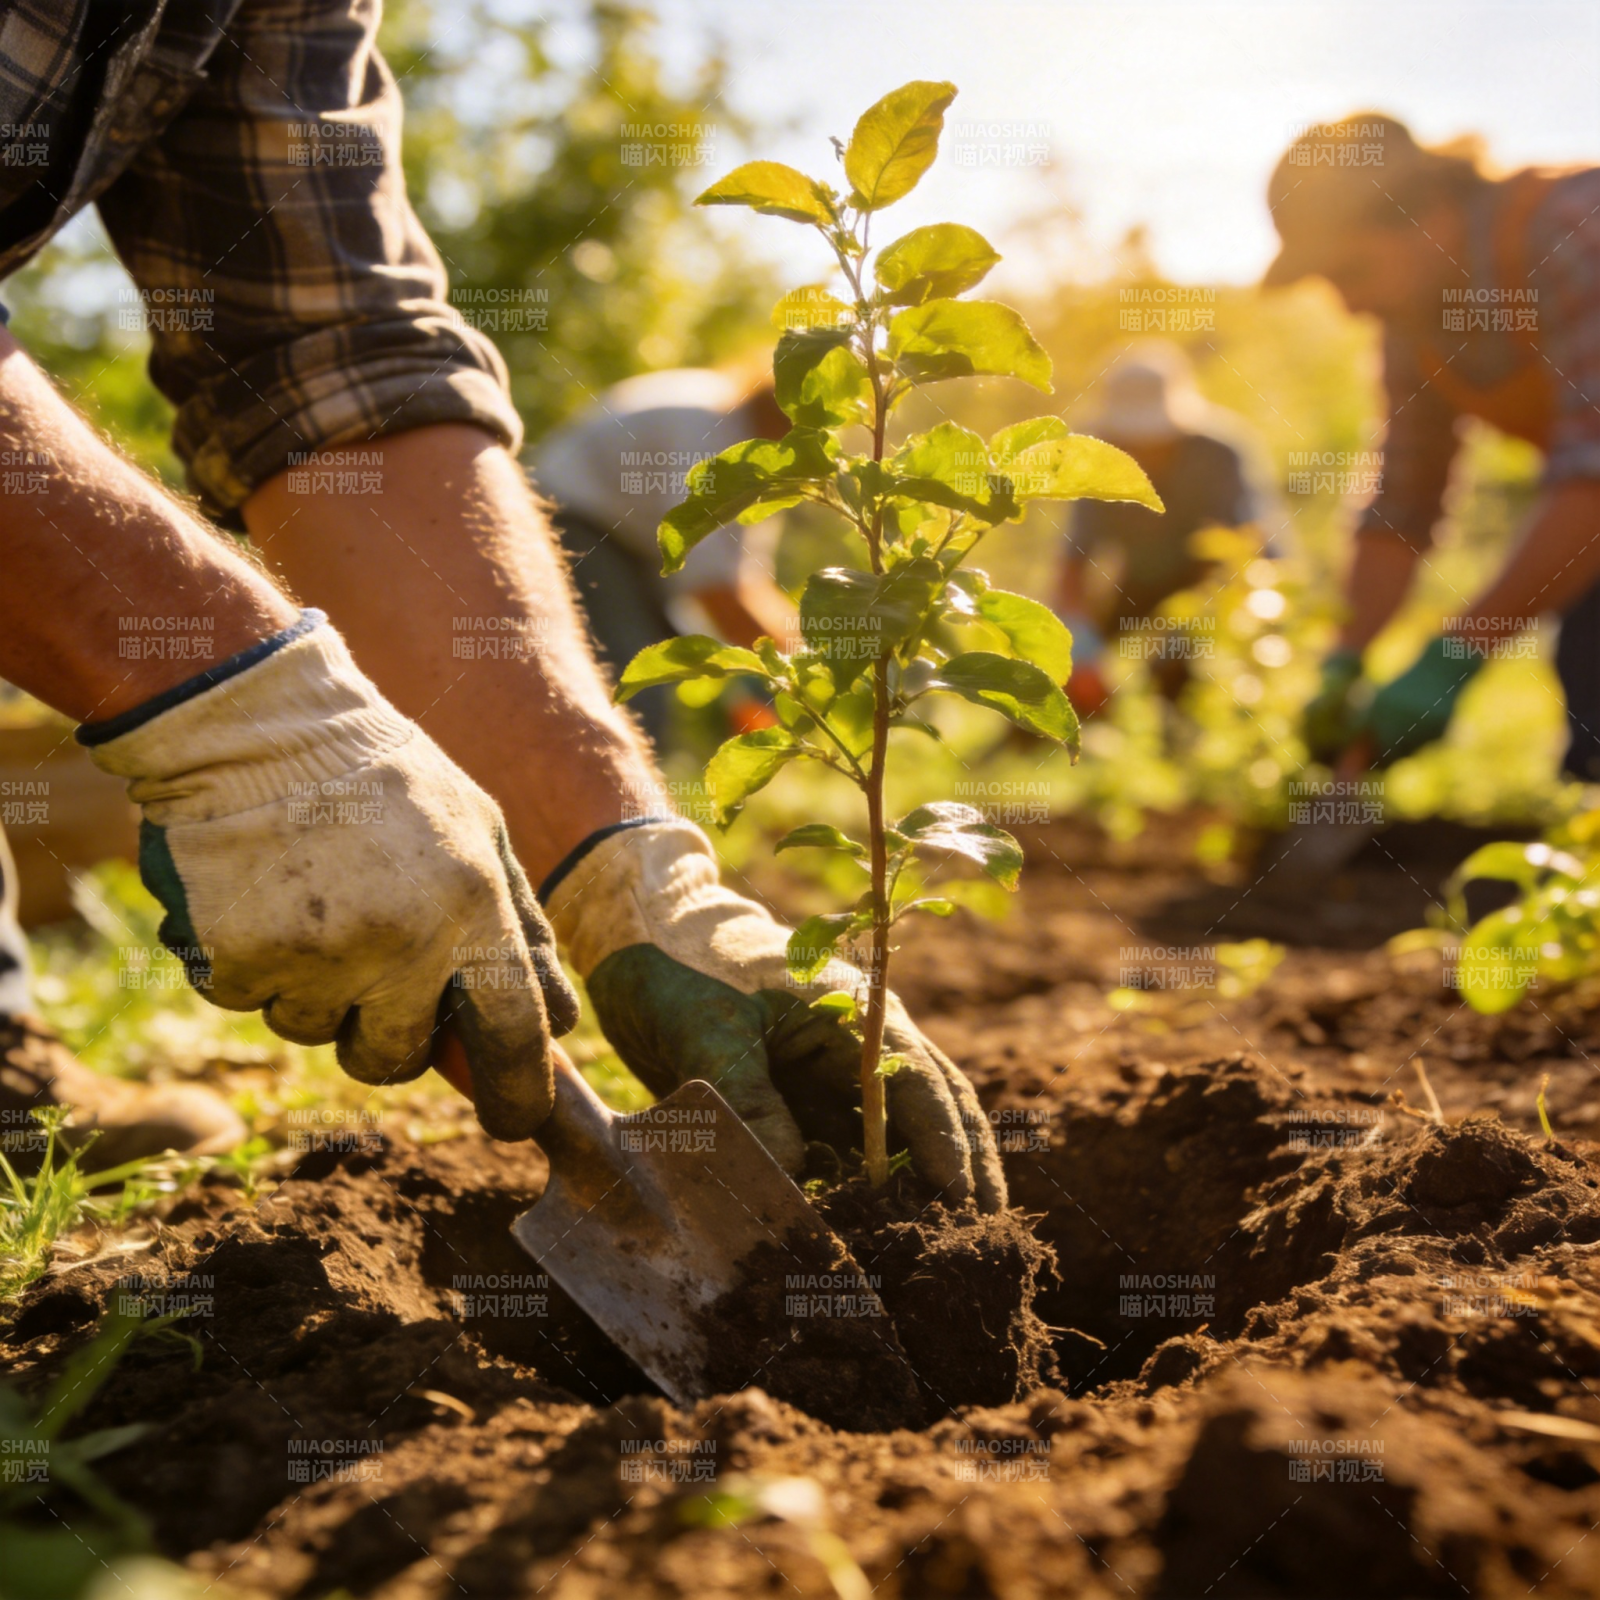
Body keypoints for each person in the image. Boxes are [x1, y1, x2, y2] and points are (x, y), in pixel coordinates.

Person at [0, 1, 1002, 1209]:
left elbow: (336, 359)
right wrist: (244, 714)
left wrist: (626, 877)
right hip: (591, 525)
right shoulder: (708, 429)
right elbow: (721, 591)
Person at [1269, 115, 1600, 774]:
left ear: (1427, 212)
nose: (1348, 305)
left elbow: (1593, 474)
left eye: (1353, 270)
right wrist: (1345, 656)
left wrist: (1457, 652)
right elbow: (1402, 504)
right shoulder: (1416, 331)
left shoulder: (1572, 232)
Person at [534, 368, 796, 748]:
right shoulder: (714, 436)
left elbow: (743, 579)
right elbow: (715, 588)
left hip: (620, 541)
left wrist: (792, 648)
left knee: (654, 664)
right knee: (632, 690)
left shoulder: (736, 433)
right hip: (574, 522)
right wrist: (801, 669)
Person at [1056, 341, 1280, 709]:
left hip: (1231, 583)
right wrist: (1080, 647)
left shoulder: (1219, 453)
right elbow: (1074, 563)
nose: (1143, 449)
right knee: (1056, 659)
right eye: (1132, 440)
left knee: (1178, 666)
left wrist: (1183, 630)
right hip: (1142, 579)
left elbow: (1240, 550)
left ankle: (1196, 716)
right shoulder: (1095, 459)